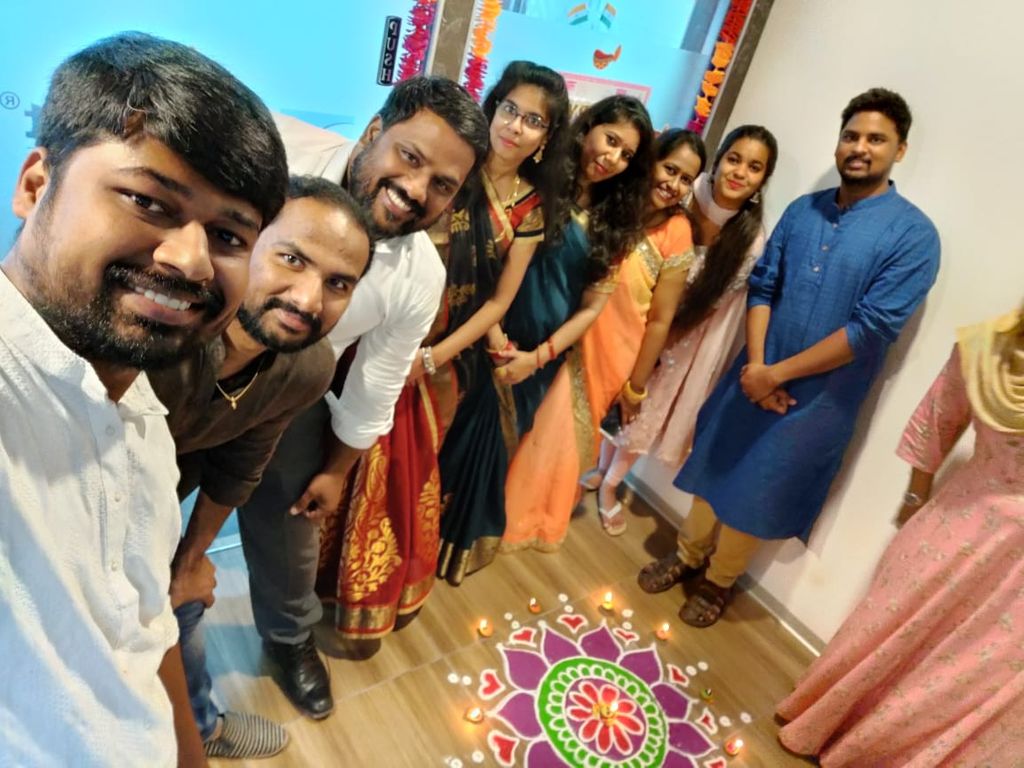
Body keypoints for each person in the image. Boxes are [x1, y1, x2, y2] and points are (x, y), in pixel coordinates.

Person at [0, 32, 287, 766]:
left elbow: (145, 630)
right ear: (35, 184)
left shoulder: (144, 421)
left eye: (228, 235)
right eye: (148, 201)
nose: (191, 260)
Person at [233, 77, 487, 718]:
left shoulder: (420, 275)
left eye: (443, 184)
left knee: (295, 525)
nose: (417, 190)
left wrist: (337, 471)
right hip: (198, 357)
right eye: (410, 156)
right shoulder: (274, 153)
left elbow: (377, 381)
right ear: (374, 131)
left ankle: (289, 638)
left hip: (294, 389)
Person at [661, 88, 941, 628]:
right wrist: (757, 367)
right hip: (752, 373)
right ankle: (686, 555)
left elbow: (871, 329)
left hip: (817, 401)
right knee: (714, 465)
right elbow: (764, 285)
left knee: (759, 489)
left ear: (900, 150)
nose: (860, 147)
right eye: (851, 136)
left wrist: (776, 375)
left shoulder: (914, 236)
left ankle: (719, 582)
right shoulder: (802, 212)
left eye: (876, 139)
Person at [316, 61, 569, 640]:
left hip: (435, 357)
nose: (516, 126)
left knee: (394, 473)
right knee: (332, 447)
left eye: (534, 120)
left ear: (546, 137)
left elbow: (499, 300)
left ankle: (367, 589)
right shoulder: (446, 168)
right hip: (371, 324)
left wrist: (431, 359)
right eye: (510, 109)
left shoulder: (527, 209)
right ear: (493, 106)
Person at [152, 178, 373, 758]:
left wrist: (191, 560)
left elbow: (243, 462)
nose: (308, 299)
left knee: (184, 606)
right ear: (244, 243)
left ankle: (200, 728)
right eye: (291, 259)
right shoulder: (160, 328)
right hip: (70, 509)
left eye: (338, 283)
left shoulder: (306, 368)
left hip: (163, 501)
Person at [777, 309, 1024, 766]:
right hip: (962, 529)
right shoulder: (988, 349)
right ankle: (838, 729)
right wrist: (914, 502)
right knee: (899, 633)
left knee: (977, 674)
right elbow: (935, 422)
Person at [437, 95, 653, 579]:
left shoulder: (614, 226)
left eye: (626, 155)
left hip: (538, 358)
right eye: (610, 140)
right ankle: (424, 538)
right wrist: (494, 336)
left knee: (497, 451)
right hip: (486, 331)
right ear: (588, 127)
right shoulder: (538, 188)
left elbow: (591, 308)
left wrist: (536, 359)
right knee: (456, 438)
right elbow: (491, 264)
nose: (612, 157)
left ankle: (461, 545)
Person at [593, 125, 777, 539]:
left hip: (684, 339)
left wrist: (664, 342)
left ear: (762, 181)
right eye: (734, 159)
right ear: (718, 160)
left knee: (644, 412)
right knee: (617, 395)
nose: (739, 172)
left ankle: (610, 485)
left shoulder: (751, 240)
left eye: (754, 168)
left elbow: (711, 305)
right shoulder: (684, 194)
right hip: (637, 317)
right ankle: (600, 468)